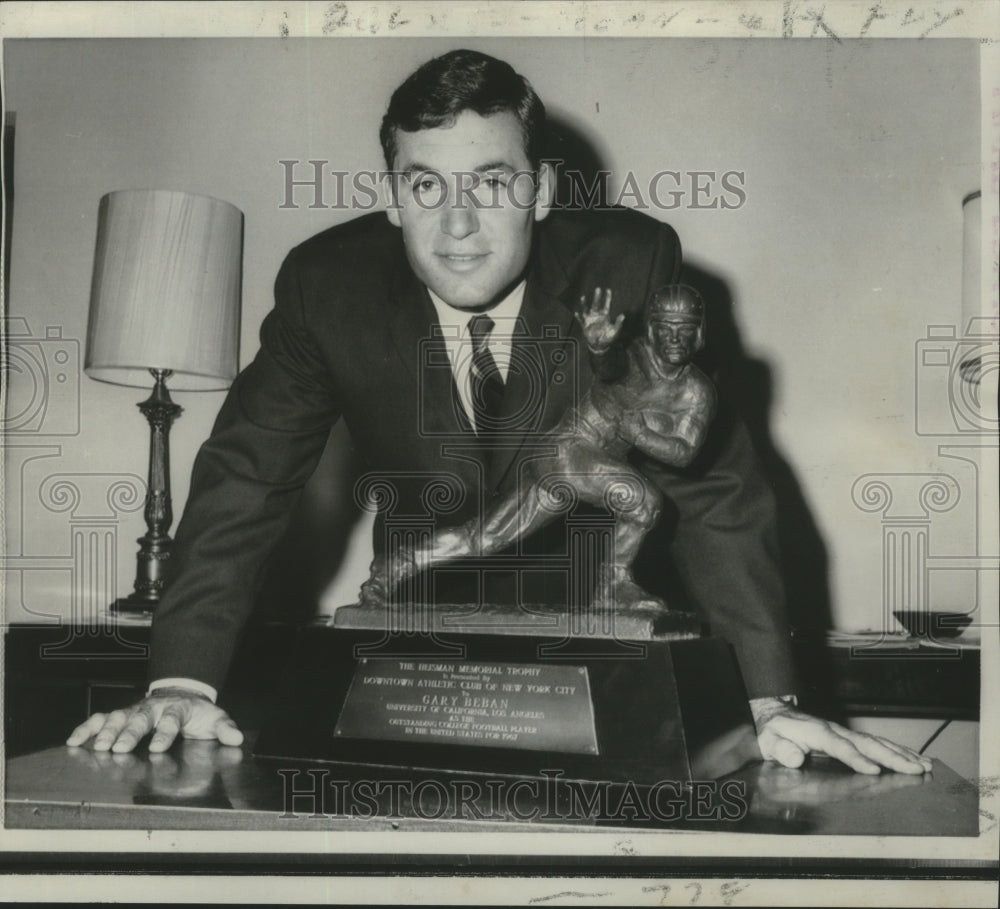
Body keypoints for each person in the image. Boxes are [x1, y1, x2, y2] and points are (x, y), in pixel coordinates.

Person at [67, 49, 931, 776]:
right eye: (427, 186)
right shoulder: (325, 288)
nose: (459, 225)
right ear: (394, 196)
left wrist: (768, 699)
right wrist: (181, 681)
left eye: (491, 182)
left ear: (543, 190)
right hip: (413, 641)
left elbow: (713, 489)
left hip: (602, 657)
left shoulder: (629, 266)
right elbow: (244, 481)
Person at [359, 284, 717, 616]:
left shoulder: (697, 391)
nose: (675, 337)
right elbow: (611, 370)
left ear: (699, 332)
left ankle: (394, 567)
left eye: (684, 328)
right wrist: (599, 348)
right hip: (568, 449)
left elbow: (684, 453)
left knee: (486, 538)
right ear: (652, 329)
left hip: (571, 464)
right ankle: (612, 584)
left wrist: (640, 435)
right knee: (643, 501)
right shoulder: (635, 358)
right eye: (666, 326)